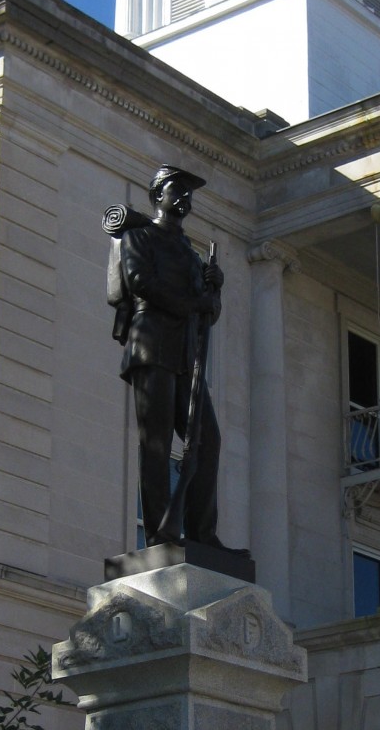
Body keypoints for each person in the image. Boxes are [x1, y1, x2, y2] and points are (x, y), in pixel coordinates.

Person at [110, 165, 242, 554]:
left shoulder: (190, 253)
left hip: (185, 353)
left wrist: (213, 293)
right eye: (175, 190)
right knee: (156, 443)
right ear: (157, 197)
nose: (184, 198)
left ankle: (202, 534)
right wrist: (195, 301)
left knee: (208, 439)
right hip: (151, 347)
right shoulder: (139, 236)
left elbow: (206, 316)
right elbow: (140, 283)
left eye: (188, 193)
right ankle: (159, 535)